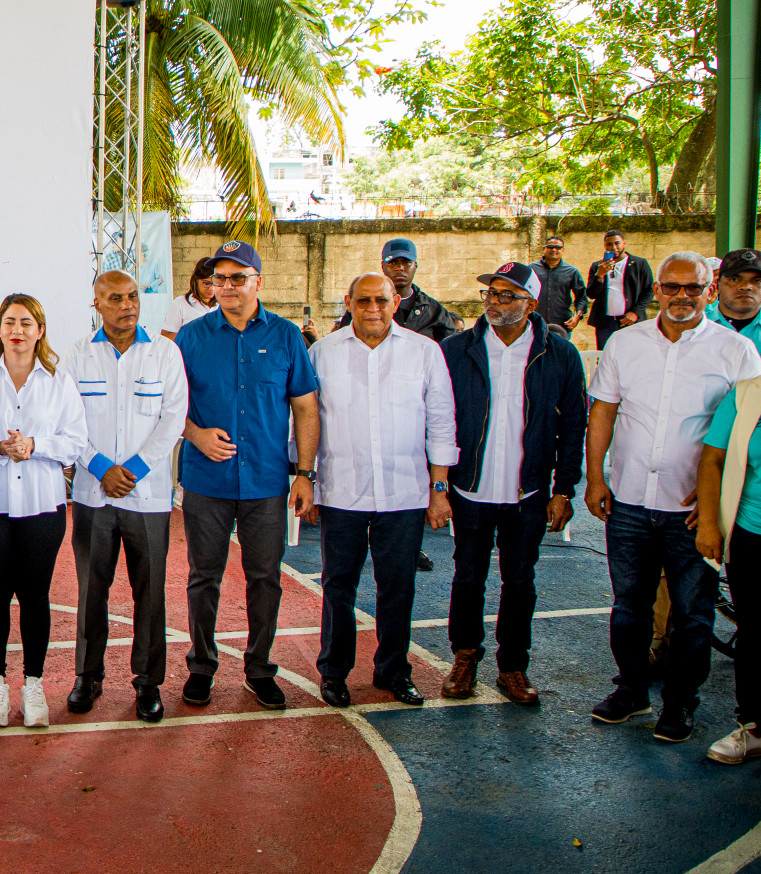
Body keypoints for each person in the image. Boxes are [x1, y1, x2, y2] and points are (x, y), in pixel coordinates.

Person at [585, 253, 760, 742]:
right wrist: (595, 479)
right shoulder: (625, 343)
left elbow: (744, 436)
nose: (682, 296)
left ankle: (681, 703)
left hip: (692, 511)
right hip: (629, 502)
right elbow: (603, 413)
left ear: (710, 290)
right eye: (672, 286)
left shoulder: (736, 351)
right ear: (657, 290)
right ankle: (632, 690)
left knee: (693, 614)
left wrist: (716, 501)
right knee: (629, 608)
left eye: (693, 287)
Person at [173, 240, 319, 711]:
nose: (227, 286)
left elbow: (305, 408)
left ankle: (259, 669)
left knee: (265, 578)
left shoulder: (287, 336)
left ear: (258, 282)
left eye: (238, 277)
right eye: (219, 278)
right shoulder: (190, 338)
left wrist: (304, 474)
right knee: (204, 577)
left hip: (266, 482)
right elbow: (168, 406)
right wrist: (195, 434)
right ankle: (201, 667)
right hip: (206, 480)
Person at [439, 261, 587, 704]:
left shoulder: (560, 354)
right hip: (470, 488)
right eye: (490, 293)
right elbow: (437, 420)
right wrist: (438, 486)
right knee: (468, 577)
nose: (495, 302)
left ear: (531, 304)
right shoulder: (455, 349)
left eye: (507, 295)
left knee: (520, 581)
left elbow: (574, 426)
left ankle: (513, 666)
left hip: (529, 492)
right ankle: (465, 656)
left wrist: (564, 490)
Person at [308, 273, 457, 709]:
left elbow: (441, 423)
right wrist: (307, 480)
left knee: (398, 587)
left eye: (381, 300)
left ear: (396, 303)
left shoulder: (425, 352)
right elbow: (305, 420)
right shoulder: (322, 353)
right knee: (338, 586)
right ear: (348, 303)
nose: (373, 309)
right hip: (341, 491)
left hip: (404, 493)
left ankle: (393, 671)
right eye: (363, 301)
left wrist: (439, 489)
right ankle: (334, 672)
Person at [70, 271, 188, 720]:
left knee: (151, 592)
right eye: (115, 298)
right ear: (97, 304)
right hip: (93, 493)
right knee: (90, 590)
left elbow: (173, 419)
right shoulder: (78, 355)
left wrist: (133, 470)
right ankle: (88, 675)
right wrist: (101, 467)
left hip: (148, 496)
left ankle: (148, 682)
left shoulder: (165, 353)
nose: (127, 305)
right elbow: (68, 422)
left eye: (133, 296)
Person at [0, 293, 84, 729]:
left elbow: (75, 441)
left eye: (26, 323)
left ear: (40, 330)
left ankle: (33, 684)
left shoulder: (58, 380)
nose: (17, 330)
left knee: (35, 597)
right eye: (9, 322)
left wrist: (35, 446)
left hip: (41, 505)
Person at [692, 359, 761, 765]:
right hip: (753, 533)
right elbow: (712, 460)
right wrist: (709, 524)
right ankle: (750, 727)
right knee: (754, 632)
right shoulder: (748, 394)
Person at [334, 238, 457, 343]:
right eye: (393, 262)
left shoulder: (432, 310)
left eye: (406, 262)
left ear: (415, 265)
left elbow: (450, 349)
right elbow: (343, 342)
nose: (400, 268)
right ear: (383, 266)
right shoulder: (362, 307)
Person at [585, 229, 654, 348]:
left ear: (624, 243)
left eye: (617, 243)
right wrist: (599, 275)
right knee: (605, 355)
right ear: (605, 246)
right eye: (609, 244)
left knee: (632, 354)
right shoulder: (598, 266)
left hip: (630, 321)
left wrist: (635, 312)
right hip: (605, 324)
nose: (614, 247)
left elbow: (649, 290)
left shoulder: (639, 264)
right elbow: (591, 294)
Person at [705, 248, 761, 360]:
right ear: (717, 285)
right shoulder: (694, 330)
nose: (746, 287)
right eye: (734, 279)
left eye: (757, 281)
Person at [529, 235, 588, 340]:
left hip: (561, 325)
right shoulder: (531, 269)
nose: (554, 250)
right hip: (535, 323)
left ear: (563, 250)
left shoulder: (571, 271)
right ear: (544, 248)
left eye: (558, 247)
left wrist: (577, 316)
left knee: (560, 350)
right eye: (550, 247)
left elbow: (582, 297)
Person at [161, 255, 217, 340]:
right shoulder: (180, 304)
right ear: (196, 280)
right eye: (206, 283)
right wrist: (193, 337)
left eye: (216, 283)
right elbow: (166, 337)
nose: (211, 288)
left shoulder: (223, 305)